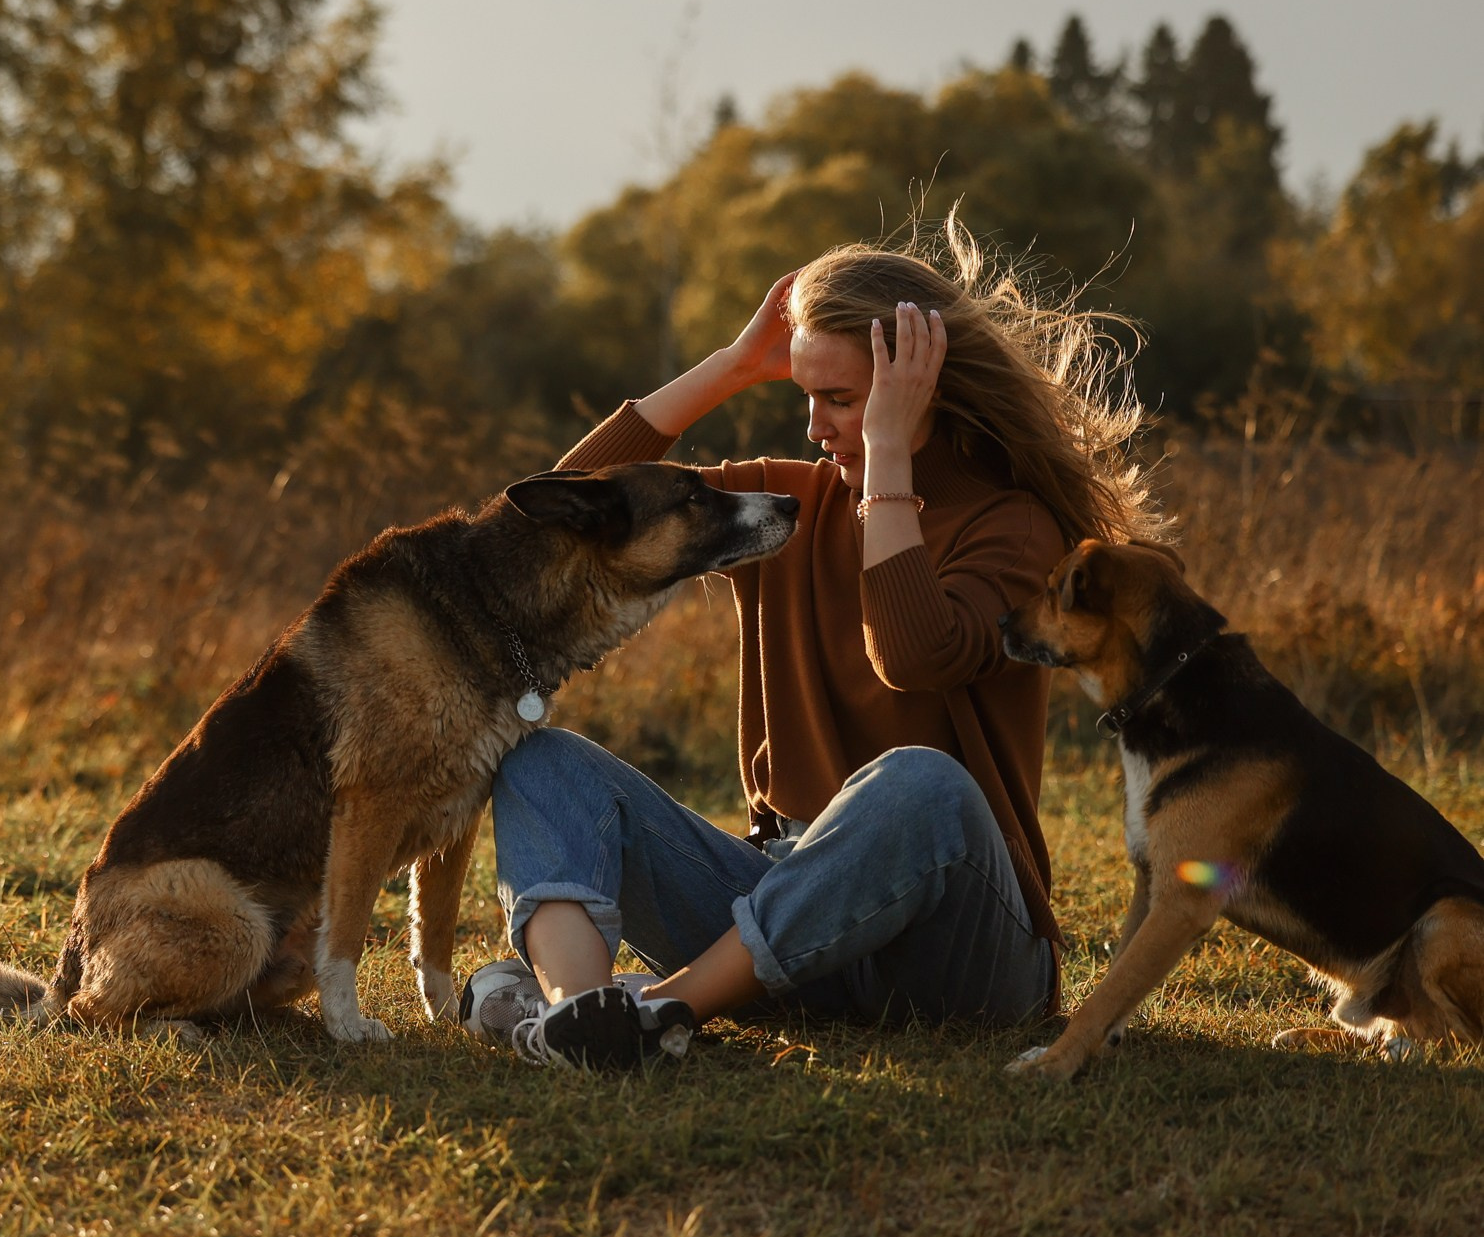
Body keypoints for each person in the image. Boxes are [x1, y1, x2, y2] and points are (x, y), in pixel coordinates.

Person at [462, 216, 1168, 1069]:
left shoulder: (1015, 530)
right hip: (782, 910)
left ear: (922, 391)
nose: (813, 428)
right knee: (542, 762)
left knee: (921, 782)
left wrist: (885, 467)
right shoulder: (787, 507)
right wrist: (728, 368)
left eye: (840, 400)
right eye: (805, 396)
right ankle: (584, 1022)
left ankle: (657, 1004)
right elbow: (565, 517)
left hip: (959, 949)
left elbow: (910, 657)